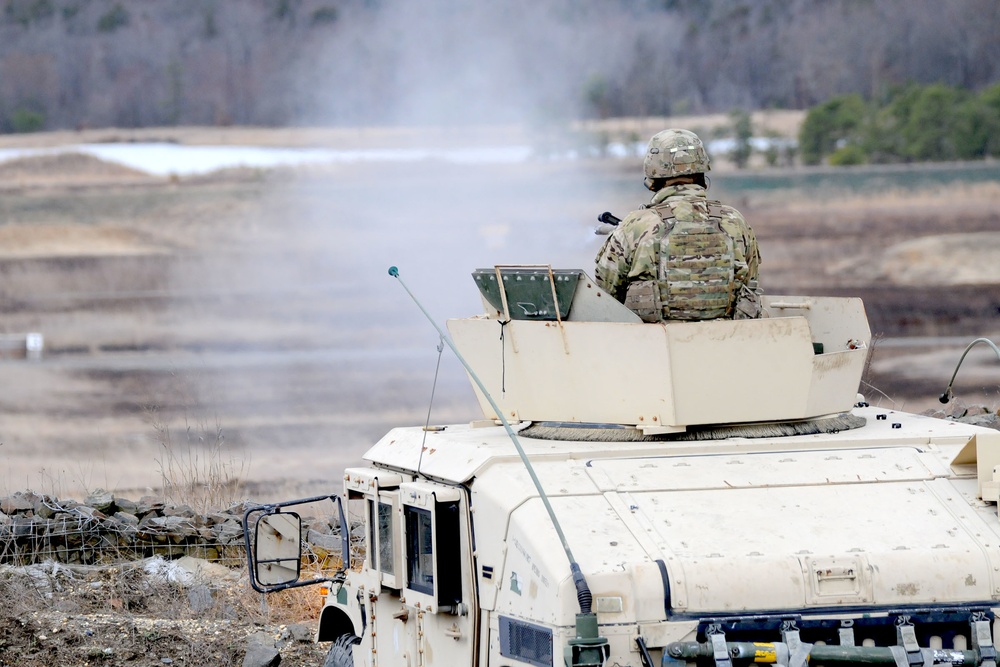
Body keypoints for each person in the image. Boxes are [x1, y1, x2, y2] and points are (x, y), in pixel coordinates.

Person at [594, 128, 761, 322]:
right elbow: (751, 283)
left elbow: (604, 296)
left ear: (652, 173)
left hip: (654, 346)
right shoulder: (735, 221)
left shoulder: (635, 226)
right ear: (701, 168)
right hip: (726, 343)